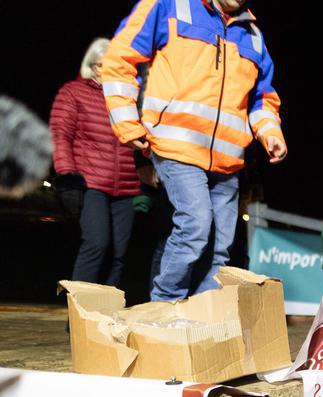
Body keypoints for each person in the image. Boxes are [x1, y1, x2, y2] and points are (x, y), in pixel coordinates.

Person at [101, 0, 287, 301]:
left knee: (220, 246)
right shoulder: (168, 6)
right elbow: (118, 59)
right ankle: (165, 306)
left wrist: (270, 133)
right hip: (176, 145)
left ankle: (202, 317)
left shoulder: (253, 35)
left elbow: (262, 98)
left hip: (228, 161)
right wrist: (126, 121)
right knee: (195, 225)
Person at [50, 38, 140, 287]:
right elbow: (60, 136)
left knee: (119, 255)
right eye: (102, 65)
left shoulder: (128, 96)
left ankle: (104, 318)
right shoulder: (73, 93)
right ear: (92, 66)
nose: (108, 69)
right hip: (90, 184)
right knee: (97, 244)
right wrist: (68, 177)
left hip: (125, 186)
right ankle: (80, 316)